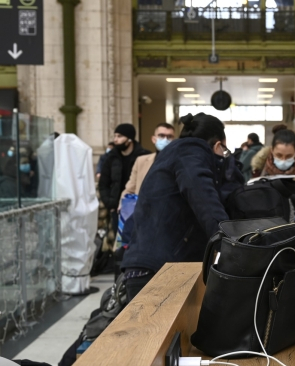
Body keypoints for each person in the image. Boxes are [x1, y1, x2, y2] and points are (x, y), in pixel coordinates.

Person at [120, 113, 243, 302]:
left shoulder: (175, 153)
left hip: (151, 267)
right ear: (218, 145)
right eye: (224, 152)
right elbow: (206, 203)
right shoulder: (191, 153)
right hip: (158, 273)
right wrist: (236, 251)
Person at [98, 124, 150, 235]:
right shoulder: (110, 158)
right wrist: (110, 204)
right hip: (117, 208)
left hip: (138, 206)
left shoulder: (143, 156)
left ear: (129, 139)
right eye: (115, 136)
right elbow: (103, 183)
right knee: (121, 242)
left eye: (120, 136)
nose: (115, 140)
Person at [118, 122, 175, 208]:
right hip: (144, 211)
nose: (165, 139)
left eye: (169, 137)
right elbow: (130, 189)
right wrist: (123, 207)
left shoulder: (180, 162)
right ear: (153, 139)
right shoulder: (141, 161)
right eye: (161, 136)